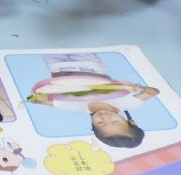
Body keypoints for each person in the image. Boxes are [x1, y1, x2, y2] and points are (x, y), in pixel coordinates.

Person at [26, 53, 160, 148]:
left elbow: (43, 101)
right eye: (115, 122)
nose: (104, 117)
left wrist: (38, 99)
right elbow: (154, 92)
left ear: (93, 125)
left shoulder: (77, 108)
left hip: (57, 66)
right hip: (88, 63)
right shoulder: (128, 103)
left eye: (100, 123)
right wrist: (138, 88)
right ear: (130, 121)